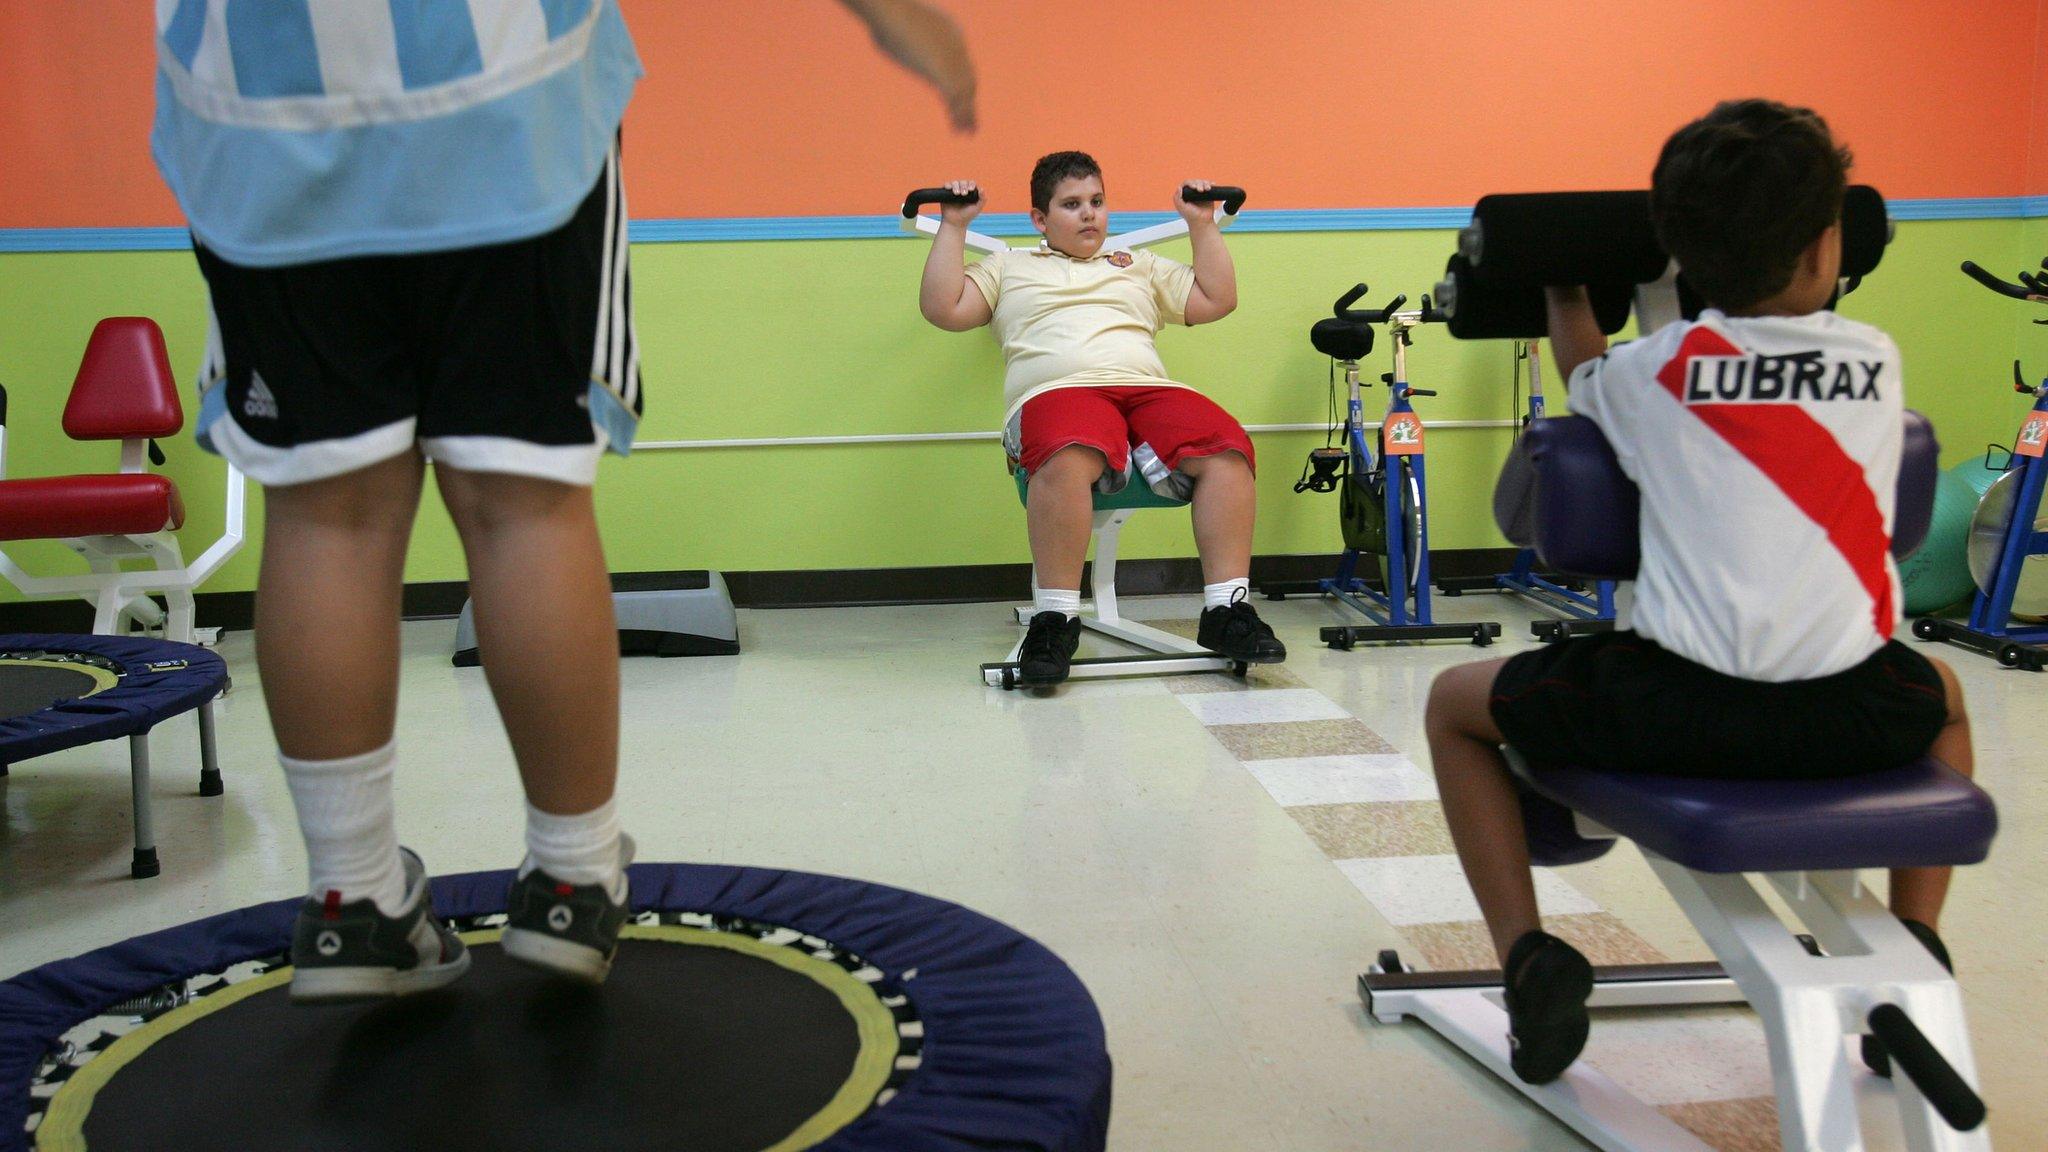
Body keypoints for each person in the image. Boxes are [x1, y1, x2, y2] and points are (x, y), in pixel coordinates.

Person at [151, 0, 975, 1001]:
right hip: (505, 97)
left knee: (328, 512)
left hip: (261, 115)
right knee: (520, 504)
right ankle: (573, 875)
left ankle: (353, 897)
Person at [1422, 99, 1973, 1082]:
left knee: (1451, 706)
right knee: (1947, 694)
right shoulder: (1875, 362)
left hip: (1677, 714)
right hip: (1853, 712)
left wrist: (1562, 281)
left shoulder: (1655, 373)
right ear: (1823, 250)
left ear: (1674, 249)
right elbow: (1780, 351)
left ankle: (1527, 957)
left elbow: (1585, 359)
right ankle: (1915, 938)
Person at [917, 151, 1287, 685]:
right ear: (1040, 220)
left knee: (1225, 447)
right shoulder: (1009, 266)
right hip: (1057, 390)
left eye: (1096, 201)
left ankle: (1226, 610)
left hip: (1147, 388)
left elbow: (1217, 298)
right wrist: (953, 226)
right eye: (1071, 205)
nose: (1089, 214)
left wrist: (1201, 224)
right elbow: (943, 309)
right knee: (1070, 451)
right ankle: (1056, 617)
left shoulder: (1135, 263)